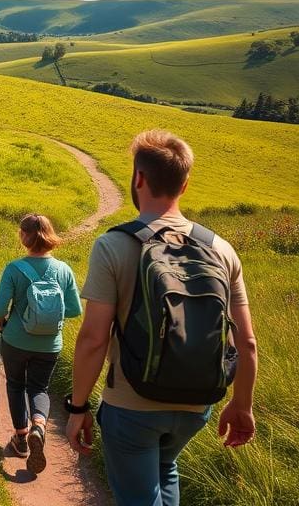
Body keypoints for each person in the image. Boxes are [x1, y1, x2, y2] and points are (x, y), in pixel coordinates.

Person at [66, 130, 258, 506]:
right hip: (197, 404)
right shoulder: (221, 249)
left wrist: (77, 407)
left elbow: (93, 339)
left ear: (138, 178)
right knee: (165, 468)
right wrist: (242, 404)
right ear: (185, 184)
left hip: (131, 403)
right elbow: (246, 341)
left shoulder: (115, 245)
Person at [0, 213, 82, 473]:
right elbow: (74, 310)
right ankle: (39, 426)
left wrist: (0, 321)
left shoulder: (14, 268)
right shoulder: (63, 270)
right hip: (49, 344)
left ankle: (21, 440)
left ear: (24, 236)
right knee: (39, 388)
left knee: (16, 385)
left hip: (15, 340)